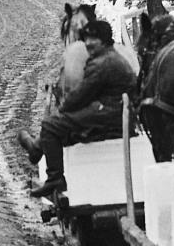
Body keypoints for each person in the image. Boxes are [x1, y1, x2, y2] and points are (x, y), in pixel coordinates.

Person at [16, 17, 138, 194]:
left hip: (108, 113)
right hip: (117, 110)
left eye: (93, 39)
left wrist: (63, 109)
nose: (88, 44)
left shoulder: (102, 63)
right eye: (86, 39)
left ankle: (54, 178)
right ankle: (36, 148)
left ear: (104, 40)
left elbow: (82, 95)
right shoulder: (112, 57)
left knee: (50, 126)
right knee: (66, 121)